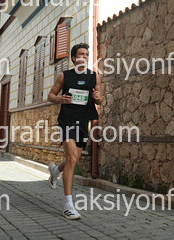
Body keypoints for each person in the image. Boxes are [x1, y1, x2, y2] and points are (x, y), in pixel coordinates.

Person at [47, 43, 102, 220]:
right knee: (71, 159)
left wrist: (98, 98)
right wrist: (60, 99)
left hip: (83, 121)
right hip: (67, 120)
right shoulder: (64, 76)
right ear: (73, 58)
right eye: (81, 54)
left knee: (74, 159)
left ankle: (56, 171)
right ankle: (68, 205)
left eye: (86, 54)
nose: (84, 57)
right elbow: (50, 95)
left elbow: (99, 99)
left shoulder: (94, 76)